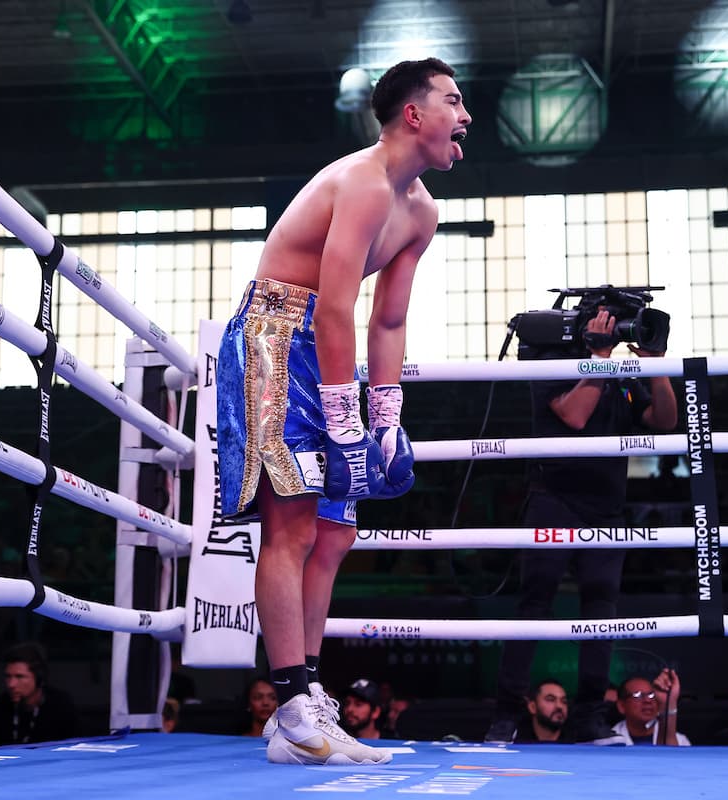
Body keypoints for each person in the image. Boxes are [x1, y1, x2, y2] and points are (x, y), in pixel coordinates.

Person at [215, 57, 470, 766]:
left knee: (335, 535)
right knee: (292, 524)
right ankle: (291, 703)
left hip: (328, 355)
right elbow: (334, 304)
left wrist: (384, 417)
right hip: (272, 340)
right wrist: (346, 420)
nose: (467, 116)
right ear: (413, 115)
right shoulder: (360, 182)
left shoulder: (421, 211)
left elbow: (387, 323)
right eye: (454, 101)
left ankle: (309, 708)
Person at [487, 307, 677, 743]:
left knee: (602, 613)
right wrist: (599, 356)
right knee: (534, 607)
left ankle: (591, 716)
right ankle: (506, 716)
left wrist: (656, 366)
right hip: (554, 499)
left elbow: (664, 422)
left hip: (607, 507)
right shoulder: (550, 362)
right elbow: (574, 417)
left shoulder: (624, 374)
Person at [0, 642, 79, 746]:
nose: (11, 684)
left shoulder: (61, 705)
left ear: (39, 677)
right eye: (8, 676)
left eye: (19, 677)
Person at [596, 670, 690, 746]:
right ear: (622, 706)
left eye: (651, 695)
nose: (647, 701)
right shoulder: (606, 743)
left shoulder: (679, 741)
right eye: (638, 695)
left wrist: (668, 704)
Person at [516, 679, 568, 743]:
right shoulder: (515, 740)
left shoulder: (577, 742)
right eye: (550, 699)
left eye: (564, 701)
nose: (559, 706)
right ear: (532, 707)